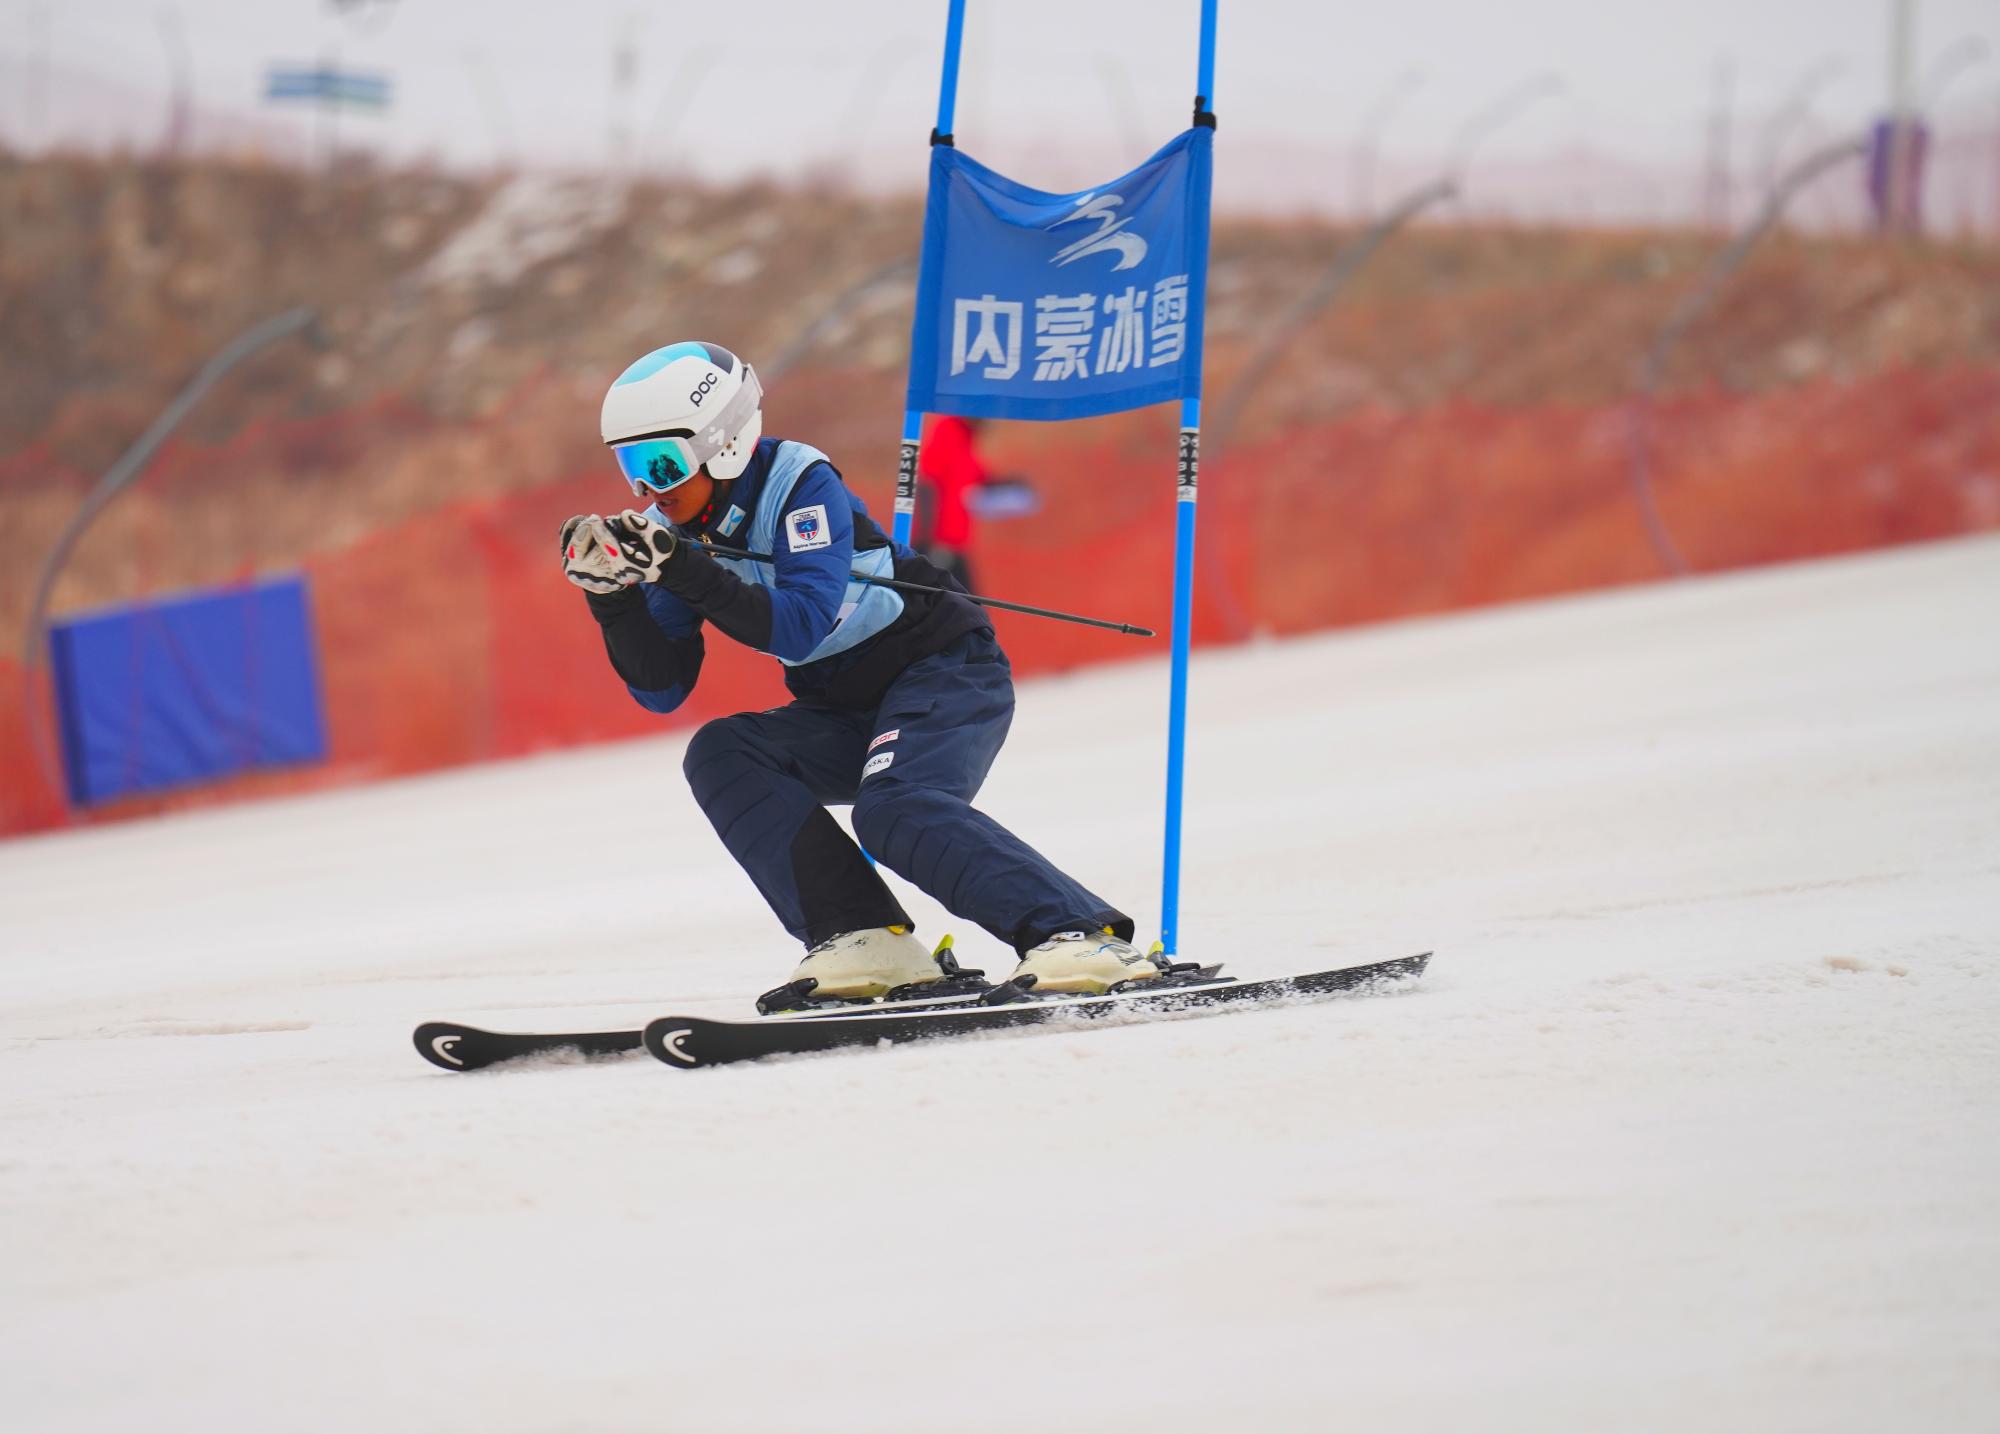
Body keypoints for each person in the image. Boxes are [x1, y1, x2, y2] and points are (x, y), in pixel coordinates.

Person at [561, 340, 1163, 1010]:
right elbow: (662, 688)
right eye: (631, 467)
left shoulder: (798, 482)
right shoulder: (671, 535)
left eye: (662, 463)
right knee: (722, 753)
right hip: (843, 703)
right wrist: (612, 599)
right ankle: (864, 937)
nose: (648, 489)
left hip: (940, 671)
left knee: (892, 808)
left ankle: (1079, 934)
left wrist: (679, 568)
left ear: (722, 442)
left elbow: (798, 626)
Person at [912, 413, 995, 592]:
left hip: (955, 543)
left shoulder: (966, 437)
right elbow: (927, 485)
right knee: (964, 603)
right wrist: (929, 542)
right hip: (939, 543)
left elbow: (979, 477)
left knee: (968, 603)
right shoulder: (948, 431)